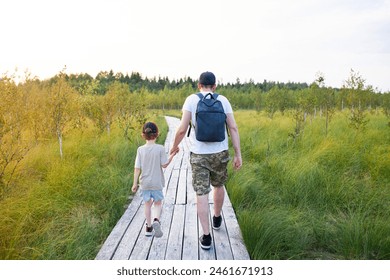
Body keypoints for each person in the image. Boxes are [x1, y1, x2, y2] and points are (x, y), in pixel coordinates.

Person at [170, 71, 242, 250]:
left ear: (198, 85)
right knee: (219, 185)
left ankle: (206, 236)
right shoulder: (223, 100)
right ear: (215, 86)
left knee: (201, 193)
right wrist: (238, 154)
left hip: (198, 154)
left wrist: (174, 147)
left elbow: (181, 129)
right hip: (220, 152)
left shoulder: (191, 100)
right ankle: (217, 217)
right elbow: (233, 127)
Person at [132, 122, 175, 238]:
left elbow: (137, 168)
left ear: (143, 135)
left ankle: (148, 227)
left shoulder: (140, 150)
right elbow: (165, 165)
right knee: (157, 203)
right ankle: (156, 219)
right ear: (157, 134)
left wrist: (134, 184)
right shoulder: (160, 149)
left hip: (144, 183)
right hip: (156, 182)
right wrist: (172, 155)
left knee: (147, 204)